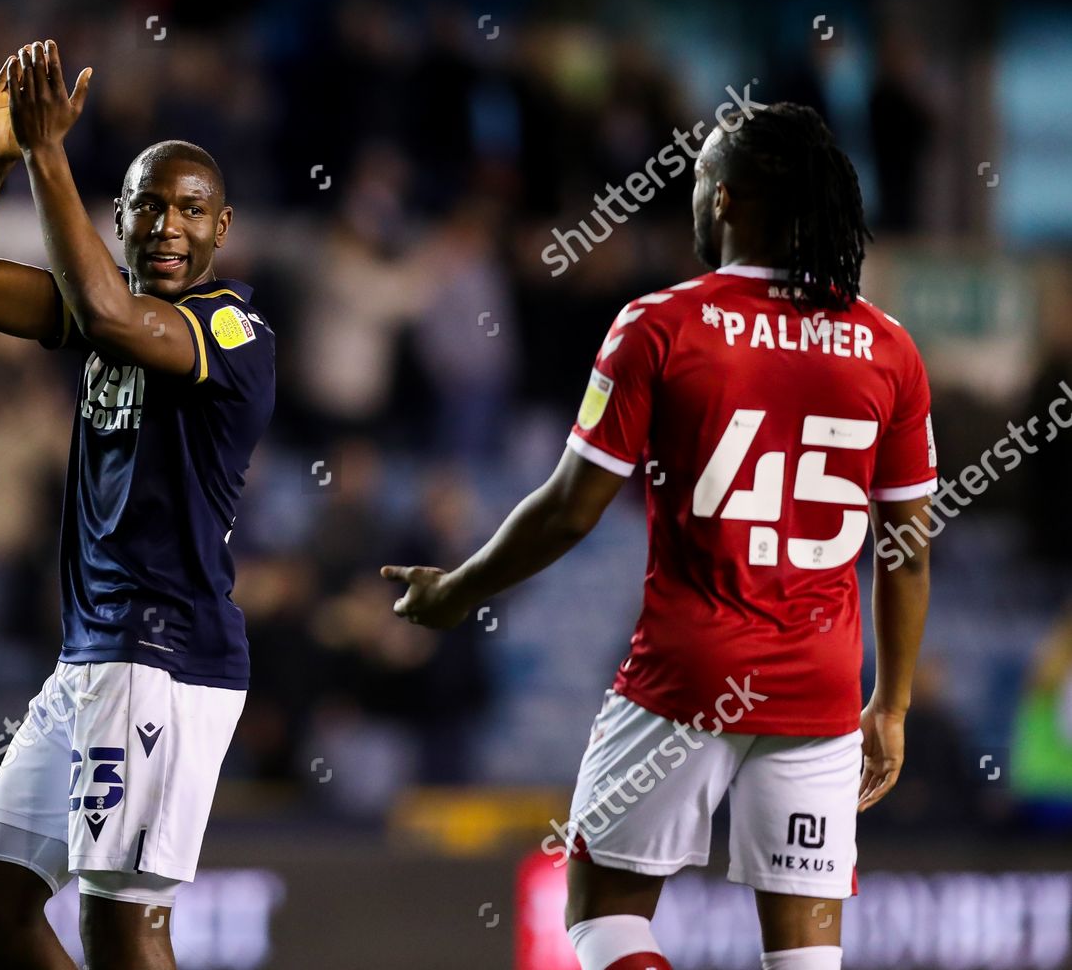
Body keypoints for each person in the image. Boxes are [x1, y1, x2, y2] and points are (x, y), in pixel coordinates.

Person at [384, 103, 935, 970]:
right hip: (822, 690)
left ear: (724, 200)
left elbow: (571, 507)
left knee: (602, 913)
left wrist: (459, 589)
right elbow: (906, 547)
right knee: (805, 961)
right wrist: (891, 704)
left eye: (697, 178)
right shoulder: (888, 348)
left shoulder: (662, 324)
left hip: (687, 672)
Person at [0, 41, 275, 970]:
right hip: (90, 655)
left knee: (122, 927)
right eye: (149, 206)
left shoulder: (232, 329)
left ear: (222, 228)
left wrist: (47, 152)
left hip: (160, 654)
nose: (169, 225)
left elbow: (117, 320)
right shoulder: (102, 307)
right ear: (118, 220)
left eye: (192, 209)